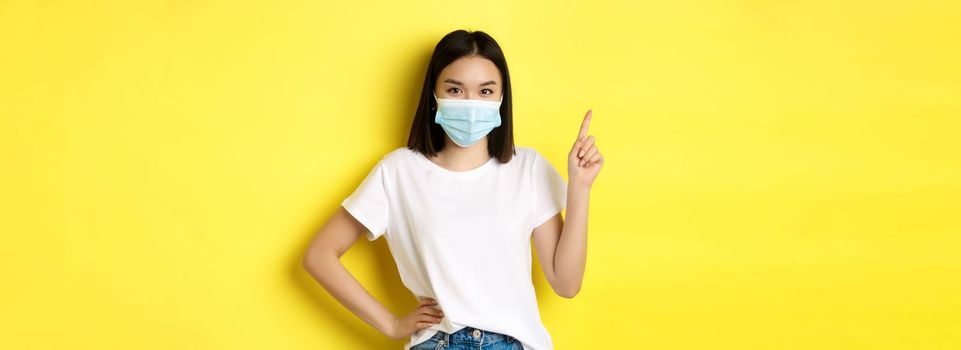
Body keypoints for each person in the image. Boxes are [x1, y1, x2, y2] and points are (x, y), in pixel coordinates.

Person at [302, 29, 604, 350]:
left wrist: (580, 189)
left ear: (502, 99)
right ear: (434, 94)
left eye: (485, 91)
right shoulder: (399, 172)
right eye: (456, 89)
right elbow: (319, 255)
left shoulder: (528, 168)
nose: (471, 103)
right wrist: (391, 323)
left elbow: (566, 283)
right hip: (441, 341)